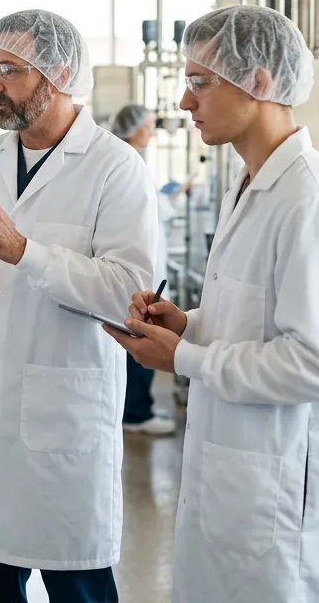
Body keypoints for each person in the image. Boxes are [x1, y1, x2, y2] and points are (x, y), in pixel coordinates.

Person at [101, 5, 319, 603]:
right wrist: (190, 326)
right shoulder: (249, 185)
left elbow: (318, 363)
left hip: (282, 509)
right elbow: (259, 326)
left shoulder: (312, 205)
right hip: (234, 487)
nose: (184, 102)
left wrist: (187, 359)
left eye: (200, 84)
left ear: (258, 81)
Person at [0, 9, 157, 602]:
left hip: (60, 425)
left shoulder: (115, 169)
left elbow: (131, 294)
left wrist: (24, 251)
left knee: (76, 584)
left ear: (61, 74)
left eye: (11, 70)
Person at [108, 103, 180, 437]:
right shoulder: (128, 162)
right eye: (149, 125)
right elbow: (157, 210)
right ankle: (136, 413)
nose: (152, 131)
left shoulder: (127, 159)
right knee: (139, 336)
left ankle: (135, 409)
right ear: (135, 128)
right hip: (137, 272)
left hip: (139, 269)